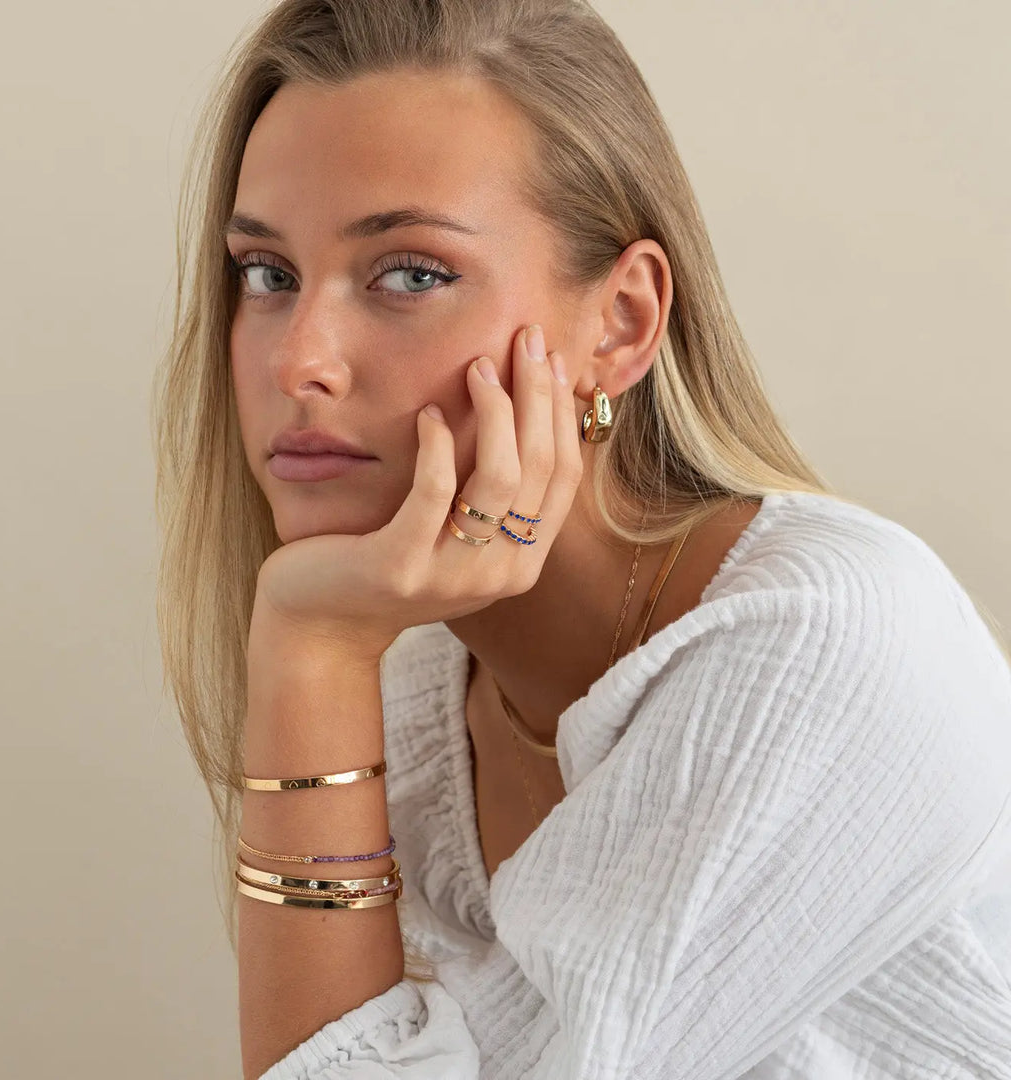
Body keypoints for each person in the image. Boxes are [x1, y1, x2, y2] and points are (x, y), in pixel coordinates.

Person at [151, 1, 1011, 1077]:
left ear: (622, 321)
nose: (300, 361)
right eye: (267, 275)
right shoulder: (417, 697)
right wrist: (318, 651)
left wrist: (308, 650)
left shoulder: (830, 648)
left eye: (411, 273)